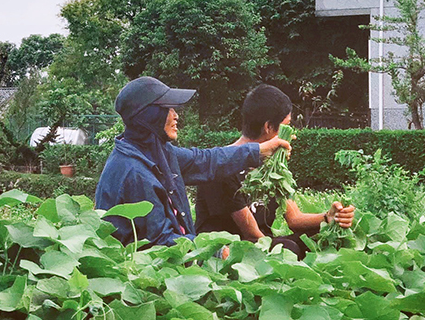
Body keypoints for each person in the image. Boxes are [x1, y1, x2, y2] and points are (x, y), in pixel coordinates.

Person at [95, 76, 291, 247]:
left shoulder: (155, 152)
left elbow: (205, 161)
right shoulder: (134, 172)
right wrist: (213, 251)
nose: (176, 115)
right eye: (168, 109)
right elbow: (160, 242)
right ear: (149, 116)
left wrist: (258, 151)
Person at [194, 84, 355, 259]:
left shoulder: (272, 165)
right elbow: (252, 235)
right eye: (286, 127)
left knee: (315, 238)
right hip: (228, 251)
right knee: (289, 248)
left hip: (259, 244)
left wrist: (328, 217)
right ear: (268, 127)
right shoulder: (223, 167)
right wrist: (283, 254)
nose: (292, 136)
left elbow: (294, 219)